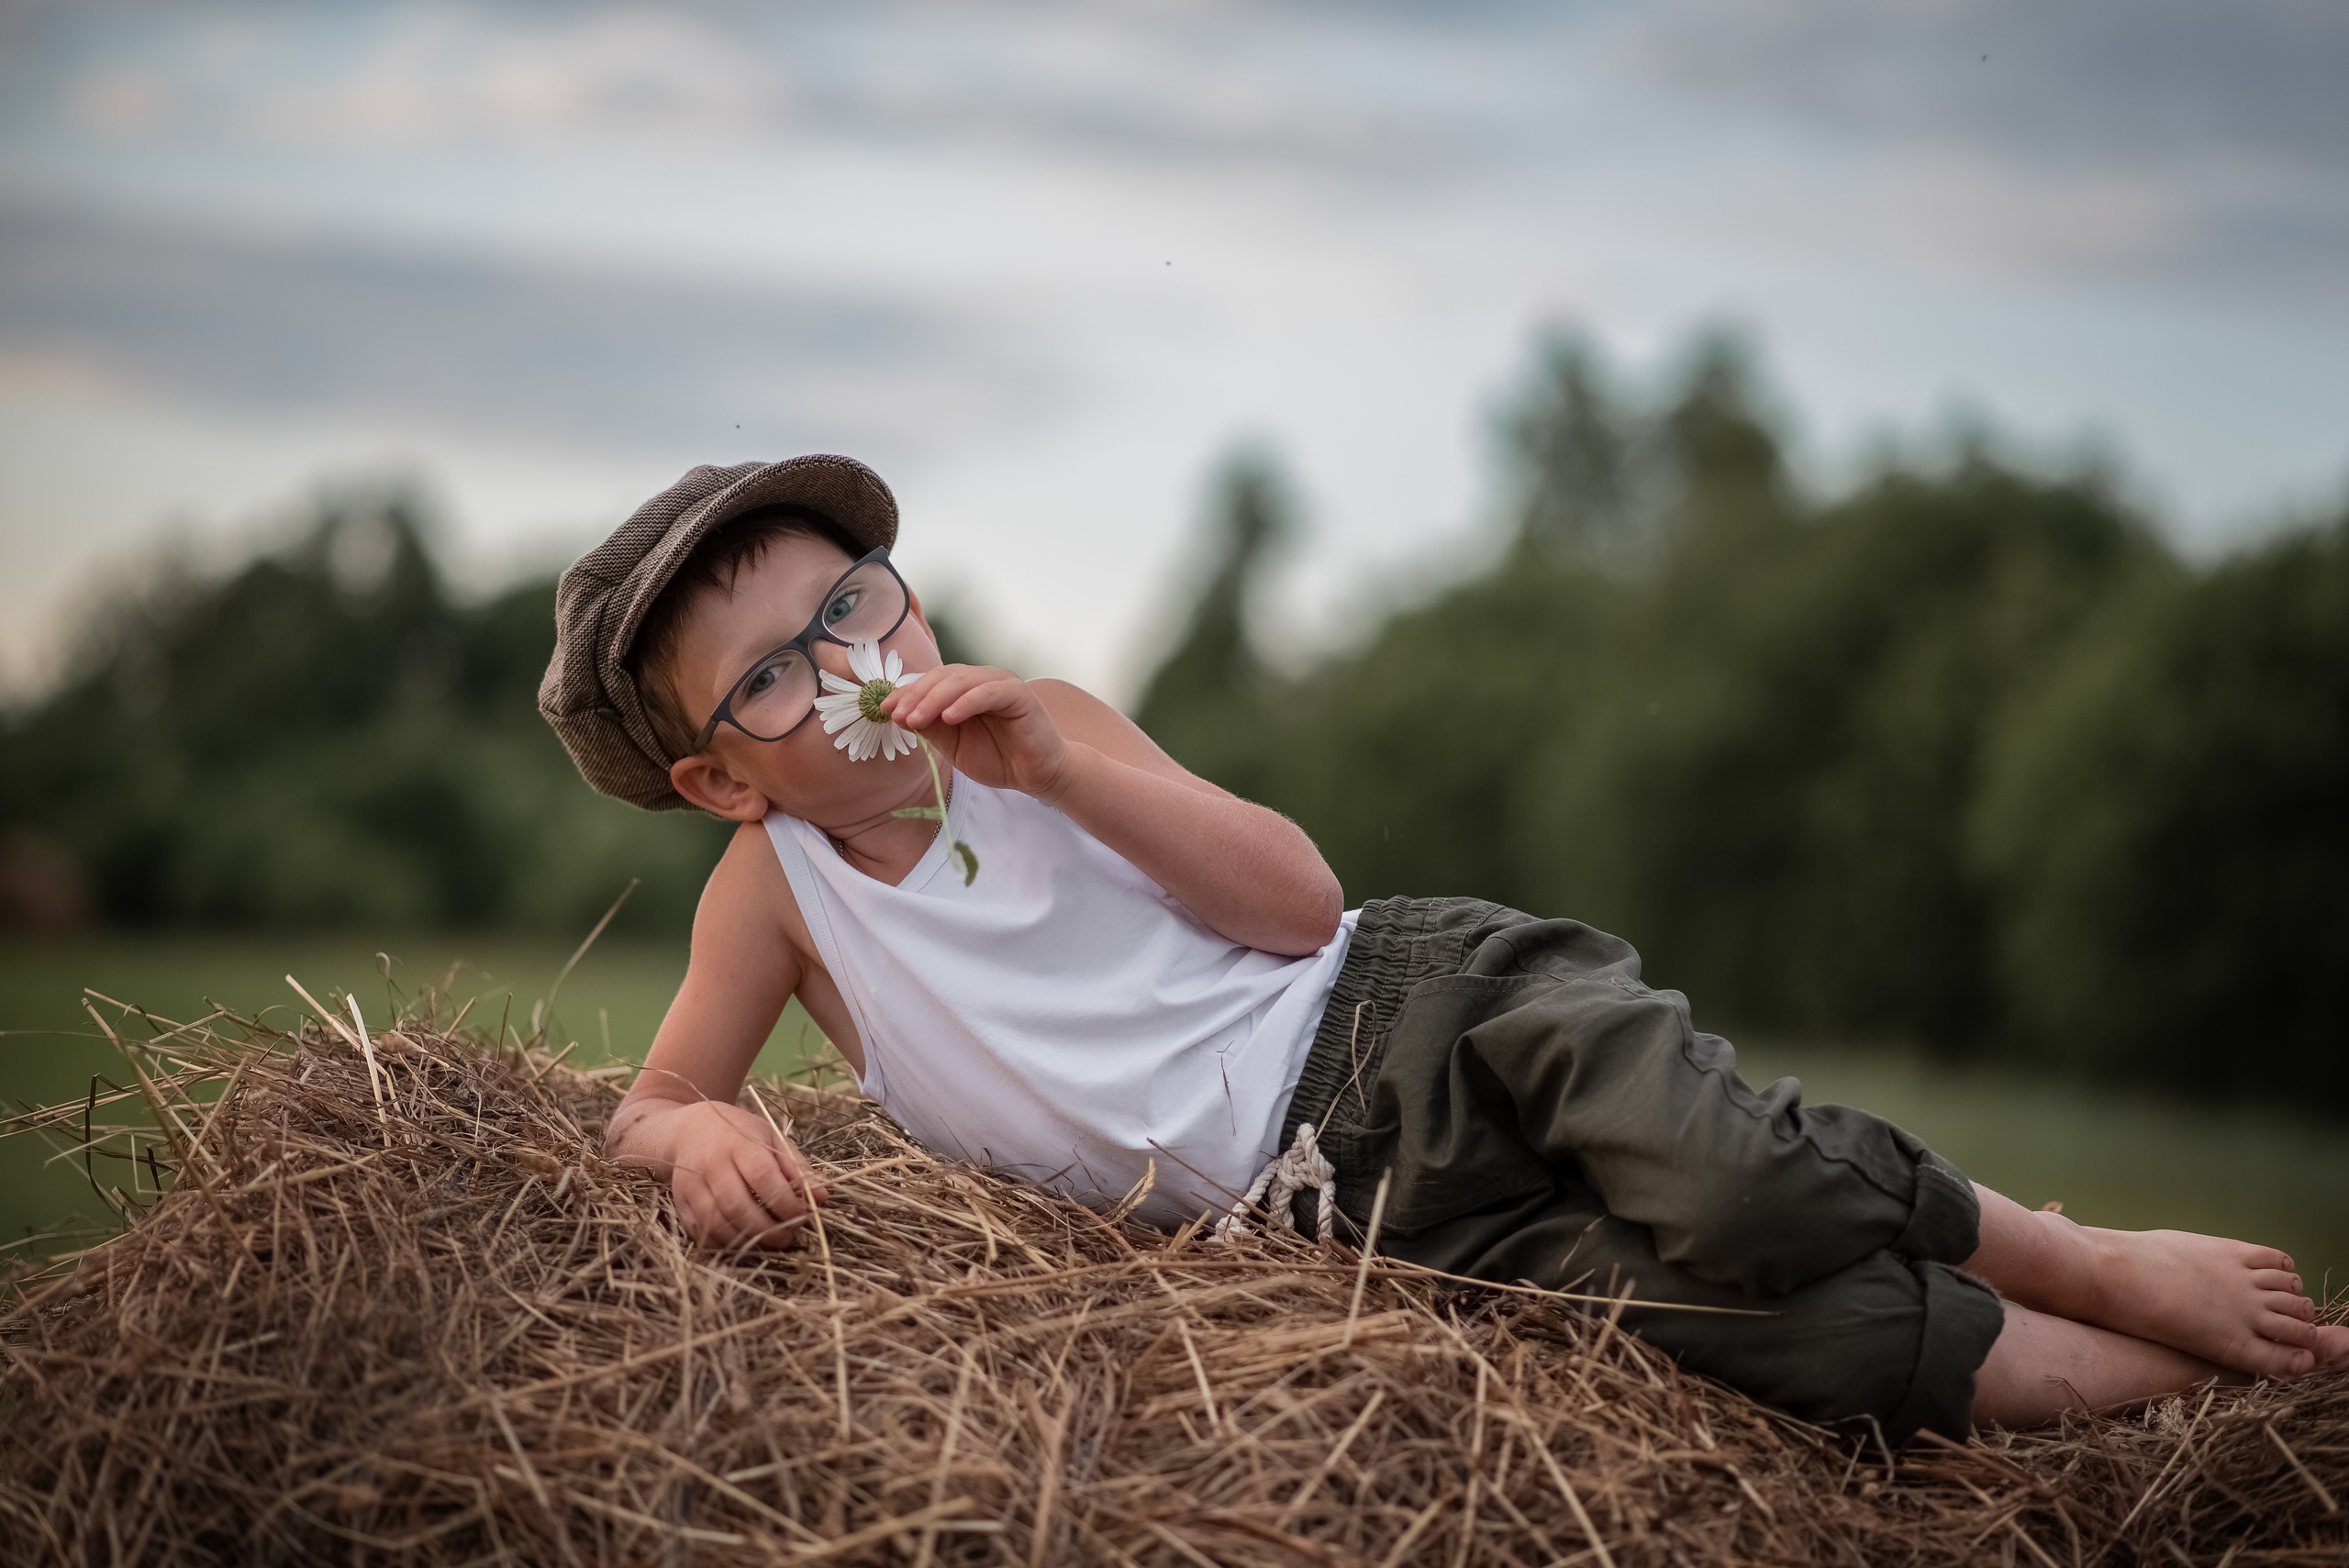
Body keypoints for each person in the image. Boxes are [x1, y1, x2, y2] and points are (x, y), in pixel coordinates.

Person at [540, 455, 2345, 1444]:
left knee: (1746, 1190)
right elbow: (647, 1105)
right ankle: (2236, 1412)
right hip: (1347, 1219)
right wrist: (690, 1138)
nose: (844, 663)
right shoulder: (776, 896)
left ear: (905, 595)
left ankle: (2098, 1259)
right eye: (771, 672)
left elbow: (1293, 904)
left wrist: (1066, 771)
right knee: (1816, 1349)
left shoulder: (1045, 731)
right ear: (718, 777)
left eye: (852, 602)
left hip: (1421, 1013)